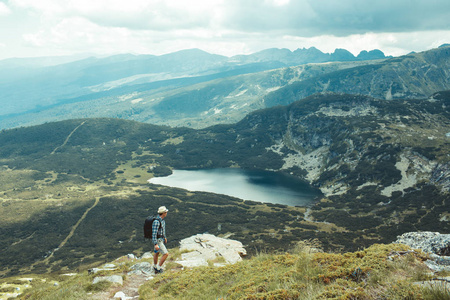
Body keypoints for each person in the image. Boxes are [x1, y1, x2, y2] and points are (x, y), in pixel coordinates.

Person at [152, 206, 169, 274]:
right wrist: (155, 244)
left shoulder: (162, 220)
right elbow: (154, 234)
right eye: (166, 212)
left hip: (161, 239)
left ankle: (155, 266)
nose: (166, 213)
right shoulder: (156, 221)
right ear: (163, 213)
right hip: (158, 241)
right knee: (165, 253)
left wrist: (164, 237)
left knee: (157, 252)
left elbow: (162, 230)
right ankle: (158, 268)